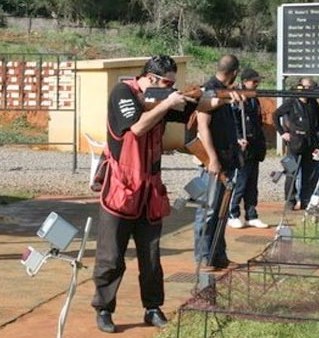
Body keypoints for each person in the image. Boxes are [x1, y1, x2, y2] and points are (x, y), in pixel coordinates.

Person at [91, 54, 241, 333]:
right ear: (150, 78)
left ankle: (152, 307)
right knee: (110, 256)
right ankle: (103, 308)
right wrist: (170, 102)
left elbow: (200, 109)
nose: (171, 88)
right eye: (167, 83)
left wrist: (226, 98)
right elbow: (136, 128)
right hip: (120, 188)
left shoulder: (162, 98)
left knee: (151, 257)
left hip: (149, 188)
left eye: (173, 84)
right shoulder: (123, 92)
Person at [194, 54, 246, 272]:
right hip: (213, 163)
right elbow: (202, 127)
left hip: (227, 159)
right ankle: (204, 257)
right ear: (233, 73)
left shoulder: (221, 92)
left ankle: (219, 255)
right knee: (207, 211)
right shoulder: (209, 90)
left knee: (222, 212)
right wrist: (212, 159)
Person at [272, 77, 319, 210]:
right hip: (294, 144)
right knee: (291, 172)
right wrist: (283, 132)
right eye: (306, 87)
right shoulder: (291, 102)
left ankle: (305, 200)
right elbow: (275, 115)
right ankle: (290, 201)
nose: (308, 90)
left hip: (310, 144)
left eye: (311, 87)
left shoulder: (313, 103)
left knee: (309, 173)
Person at [227, 68, 268, 229]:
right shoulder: (236, 98)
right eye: (254, 81)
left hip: (254, 147)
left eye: (258, 81)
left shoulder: (254, 99)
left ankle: (251, 214)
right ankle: (233, 214)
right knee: (240, 183)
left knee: (252, 184)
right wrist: (238, 138)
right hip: (242, 147)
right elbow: (233, 120)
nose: (257, 84)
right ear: (244, 82)